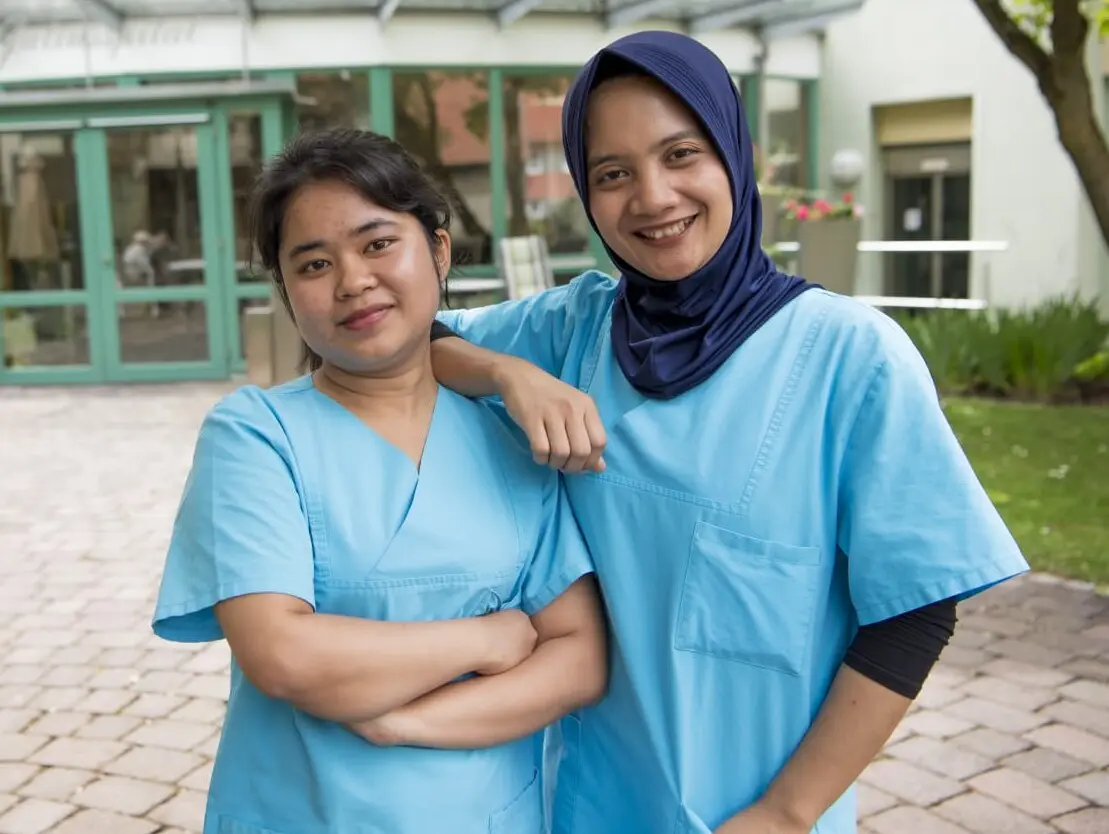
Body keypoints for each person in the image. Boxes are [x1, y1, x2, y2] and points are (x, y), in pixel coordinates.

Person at [427, 31, 1029, 834]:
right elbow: (414, 339)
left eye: (681, 154)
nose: (651, 197)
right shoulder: (571, 328)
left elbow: (915, 613)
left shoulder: (849, 357)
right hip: (583, 803)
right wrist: (506, 374)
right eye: (611, 173)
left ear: (735, 155)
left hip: (752, 816)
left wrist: (786, 811)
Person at [150, 128, 608, 834]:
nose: (352, 281)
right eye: (312, 263)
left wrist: (401, 722)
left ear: (439, 248)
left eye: (376, 243)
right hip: (301, 811)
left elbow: (578, 659)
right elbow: (283, 654)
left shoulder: (505, 438)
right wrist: (492, 639)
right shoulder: (255, 435)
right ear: (285, 291)